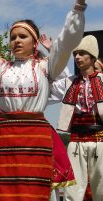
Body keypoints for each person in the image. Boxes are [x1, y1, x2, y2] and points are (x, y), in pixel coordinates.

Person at [0, 0, 86, 200]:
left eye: (22, 36)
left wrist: (77, 9)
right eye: (13, 37)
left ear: (34, 42)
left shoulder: (46, 67)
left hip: (37, 139)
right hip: (4, 138)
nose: (16, 40)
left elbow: (65, 43)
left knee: (41, 190)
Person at [52, 35, 102, 201]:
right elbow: (45, 88)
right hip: (76, 140)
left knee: (101, 189)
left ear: (93, 56)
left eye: (82, 53)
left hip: (100, 139)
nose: (77, 57)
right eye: (75, 54)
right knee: (72, 190)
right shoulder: (68, 83)